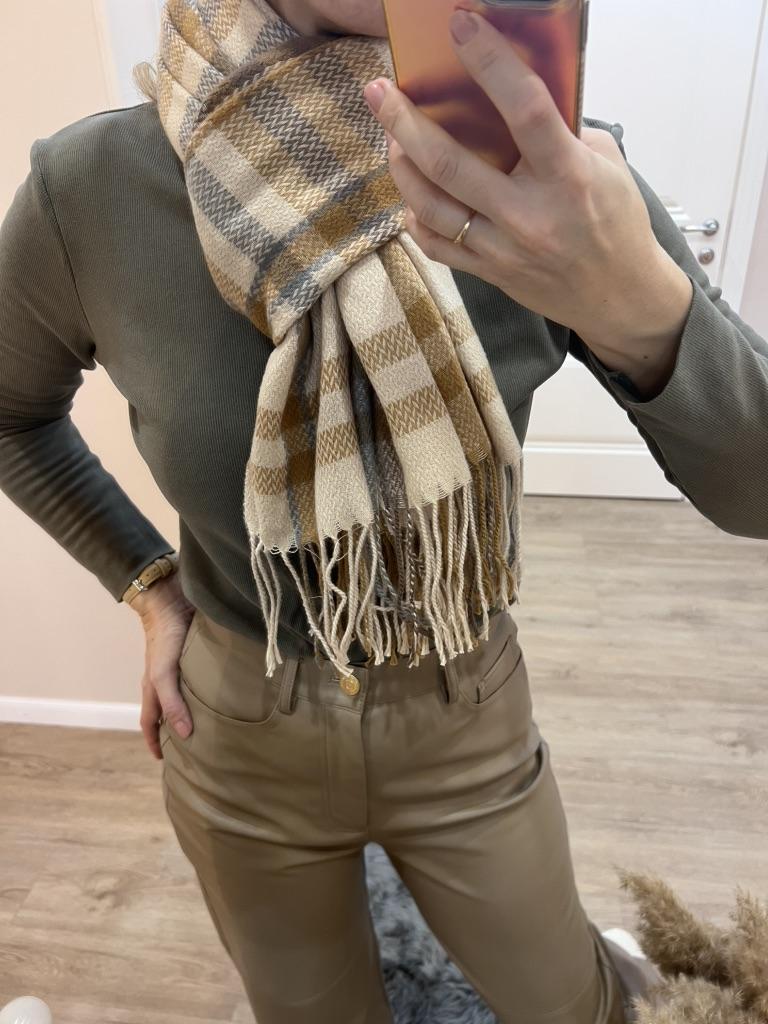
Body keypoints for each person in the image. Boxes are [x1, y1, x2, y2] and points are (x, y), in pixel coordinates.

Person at [1, 0, 766, 1021]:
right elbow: (12, 413)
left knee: (575, 1007)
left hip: (465, 703)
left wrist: (640, 306)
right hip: (238, 731)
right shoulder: (94, 188)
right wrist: (144, 583)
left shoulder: (553, 177)